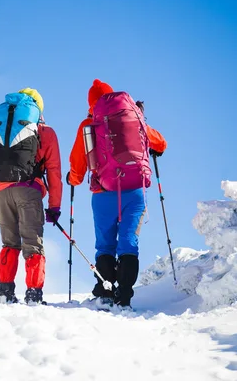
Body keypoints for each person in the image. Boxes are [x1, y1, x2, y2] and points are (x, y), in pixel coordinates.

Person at [67, 79, 167, 308]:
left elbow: (77, 163)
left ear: (91, 103)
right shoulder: (133, 117)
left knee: (105, 245)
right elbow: (160, 143)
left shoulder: (88, 124)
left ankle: (105, 292)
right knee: (129, 243)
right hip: (135, 192)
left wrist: (73, 179)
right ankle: (124, 296)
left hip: (103, 193)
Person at [0, 88, 63, 304]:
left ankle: (5, 292)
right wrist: (54, 206)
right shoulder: (45, 132)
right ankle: (33, 294)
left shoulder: (4, 127)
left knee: (9, 244)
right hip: (28, 191)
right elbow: (54, 171)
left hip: (0, 192)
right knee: (32, 243)